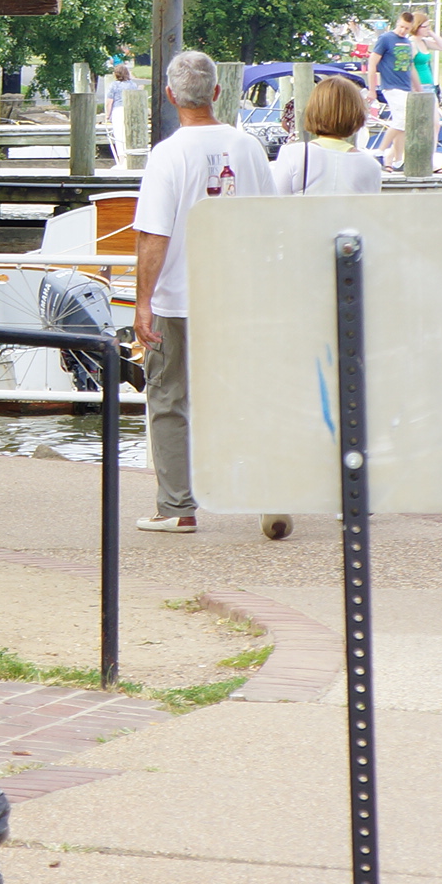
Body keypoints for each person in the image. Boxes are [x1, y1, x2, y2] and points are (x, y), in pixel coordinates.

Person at [129, 50, 276, 534]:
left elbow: (154, 234)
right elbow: (270, 225)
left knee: (170, 398)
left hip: (181, 297)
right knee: (252, 396)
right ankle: (270, 493)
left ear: (170, 96)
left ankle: (177, 507)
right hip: (244, 297)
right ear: (217, 92)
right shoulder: (251, 148)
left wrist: (143, 301)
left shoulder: (168, 154)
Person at [273, 74, 386, 196]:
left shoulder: (293, 154)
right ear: (357, 114)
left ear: (313, 111)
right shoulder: (370, 164)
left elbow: (276, 202)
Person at [99, 60, 135, 170]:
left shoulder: (114, 85)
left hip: (118, 110)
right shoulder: (132, 85)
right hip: (130, 111)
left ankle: (121, 161)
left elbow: (109, 102)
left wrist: (107, 115)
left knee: (119, 136)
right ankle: (130, 160)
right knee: (128, 135)